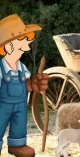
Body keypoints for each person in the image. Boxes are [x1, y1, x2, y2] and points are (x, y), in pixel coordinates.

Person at [0, 14, 49, 157]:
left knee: (19, 124)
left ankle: (17, 145)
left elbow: (26, 85)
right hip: (3, 105)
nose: (26, 49)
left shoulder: (22, 68)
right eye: (21, 47)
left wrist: (35, 85)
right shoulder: (1, 69)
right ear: (8, 47)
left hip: (21, 104)